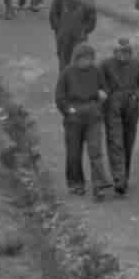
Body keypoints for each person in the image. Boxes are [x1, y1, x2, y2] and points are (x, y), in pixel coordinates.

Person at [54, 42, 111, 201]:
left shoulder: (96, 71)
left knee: (95, 151)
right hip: (74, 119)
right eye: (84, 59)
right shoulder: (67, 73)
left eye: (90, 58)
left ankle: (98, 185)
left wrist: (103, 95)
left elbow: (105, 88)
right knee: (73, 153)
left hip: (93, 117)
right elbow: (59, 97)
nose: (87, 62)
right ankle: (76, 183)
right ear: (76, 59)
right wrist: (68, 111)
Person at [101, 37, 139, 196]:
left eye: (127, 52)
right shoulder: (105, 65)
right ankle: (119, 178)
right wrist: (107, 93)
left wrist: (137, 95)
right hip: (112, 104)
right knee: (115, 141)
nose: (123, 55)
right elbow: (100, 82)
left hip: (131, 105)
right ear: (114, 52)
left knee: (128, 141)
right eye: (120, 52)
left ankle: (124, 176)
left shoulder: (138, 65)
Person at [49, 0, 97, 69]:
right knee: (63, 62)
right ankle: (63, 81)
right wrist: (58, 28)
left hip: (79, 36)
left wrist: (85, 30)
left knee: (78, 61)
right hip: (63, 36)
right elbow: (54, 12)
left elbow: (92, 17)